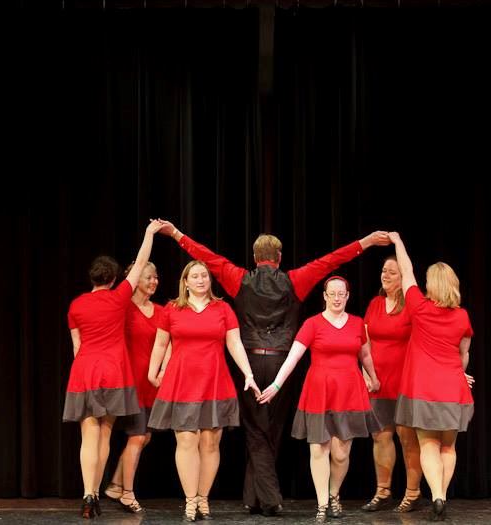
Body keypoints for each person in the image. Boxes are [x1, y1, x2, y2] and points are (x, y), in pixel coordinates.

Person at [156, 220, 389, 515]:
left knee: (256, 431)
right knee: (271, 429)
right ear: (279, 258)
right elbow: (331, 260)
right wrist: (365, 241)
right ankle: (267, 498)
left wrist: (177, 234)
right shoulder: (295, 279)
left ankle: (257, 497)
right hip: (281, 361)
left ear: (255, 258)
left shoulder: (239, 278)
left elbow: (211, 258)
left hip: (250, 360)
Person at [63, 219, 165, 519]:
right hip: (113, 373)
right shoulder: (120, 297)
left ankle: (88, 494)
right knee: (105, 434)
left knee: (88, 437)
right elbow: (142, 261)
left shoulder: (76, 305)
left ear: (92, 278)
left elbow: (77, 347)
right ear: (113, 278)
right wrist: (148, 233)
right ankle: (95, 493)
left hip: (84, 372)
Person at [259, 276, 381, 523]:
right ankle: (323, 504)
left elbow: (365, 355)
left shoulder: (358, 324)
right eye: (332, 294)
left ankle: (334, 494)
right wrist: (276, 384)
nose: (336, 298)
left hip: (349, 391)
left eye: (341, 294)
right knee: (318, 448)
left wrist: (373, 377)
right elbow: (293, 358)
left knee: (341, 453)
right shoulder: (312, 324)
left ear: (347, 296)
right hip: (319, 391)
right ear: (324, 296)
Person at [147, 260, 261, 522]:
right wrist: (153, 372)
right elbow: (160, 343)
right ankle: (189, 501)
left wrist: (249, 374)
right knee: (186, 440)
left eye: (204, 276)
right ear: (185, 282)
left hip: (215, 381)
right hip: (182, 382)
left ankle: (202, 497)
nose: (200, 280)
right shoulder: (172, 309)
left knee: (210, 443)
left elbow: (235, 344)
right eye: (195, 276)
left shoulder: (223, 309)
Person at [390, 232, 474, 522]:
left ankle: (436, 494)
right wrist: (462, 375)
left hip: (424, 389)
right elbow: (463, 355)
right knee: (448, 446)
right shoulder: (462, 317)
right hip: (453, 388)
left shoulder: (419, 307)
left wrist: (398, 242)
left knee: (428, 444)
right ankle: (442, 495)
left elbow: (406, 271)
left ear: (431, 285)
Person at [360, 256, 424, 513]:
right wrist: (366, 373)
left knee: (407, 438)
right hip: (378, 382)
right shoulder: (375, 304)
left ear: (403, 277)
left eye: (392, 272)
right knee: (381, 436)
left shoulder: (412, 306)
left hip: (406, 381)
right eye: (383, 271)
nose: (385, 275)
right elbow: (363, 342)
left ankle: (413, 493)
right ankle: (383, 491)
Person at [103, 261, 169, 513]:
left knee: (145, 437)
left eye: (156, 277)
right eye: (149, 277)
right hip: (129, 383)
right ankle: (127, 493)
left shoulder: (162, 311)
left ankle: (115, 484)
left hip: (152, 384)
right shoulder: (123, 309)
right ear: (135, 279)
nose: (154, 281)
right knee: (137, 436)